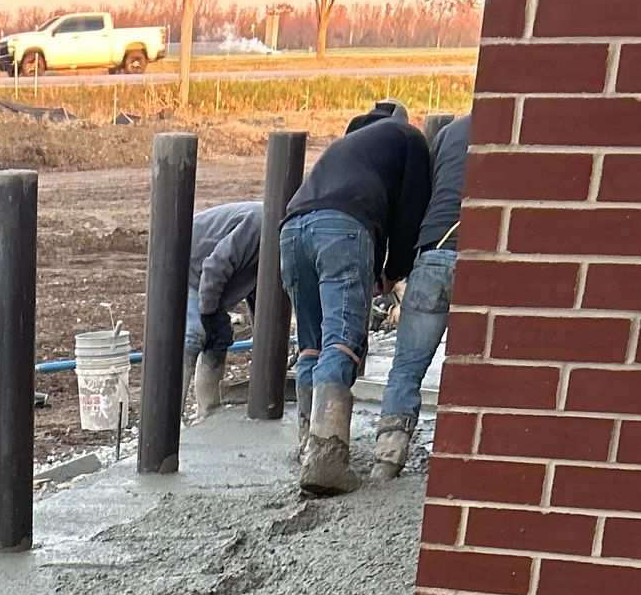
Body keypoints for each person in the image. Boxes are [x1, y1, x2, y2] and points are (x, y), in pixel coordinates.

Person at [279, 107, 433, 497]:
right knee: (342, 342)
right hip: (342, 230)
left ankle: (308, 443)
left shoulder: (346, 147)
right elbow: (410, 213)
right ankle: (327, 462)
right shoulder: (409, 138)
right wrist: (394, 268)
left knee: (311, 345)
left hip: (292, 230)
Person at [374, 113, 473, 480]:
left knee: (406, 368)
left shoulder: (448, 133)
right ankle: (460, 452)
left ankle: (387, 459)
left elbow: (428, 194)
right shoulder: (515, 126)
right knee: (471, 366)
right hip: (479, 257)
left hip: (431, 254)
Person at [182, 199, 263, 418]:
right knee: (192, 336)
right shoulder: (259, 226)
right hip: (185, 263)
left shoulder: (276, 242)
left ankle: (208, 413)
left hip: (207, 275)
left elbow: (261, 294)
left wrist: (264, 344)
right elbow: (214, 267)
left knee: (219, 337)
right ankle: (168, 423)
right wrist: (208, 313)